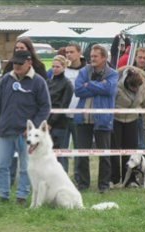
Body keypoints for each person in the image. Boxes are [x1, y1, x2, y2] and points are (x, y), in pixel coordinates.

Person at [0, 50, 51, 204]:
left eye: (20, 64)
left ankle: (22, 196)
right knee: (1, 166)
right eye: (14, 63)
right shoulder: (5, 81)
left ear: (29, 63)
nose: (16, 66)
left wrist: (33, 129)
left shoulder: (38, 82)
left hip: (26, 135)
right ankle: (3, 195)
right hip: (5, 130)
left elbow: (45, 107)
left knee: (25, 168)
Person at [2, 37, 47, 184]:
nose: (19, 50)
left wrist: (36, 125)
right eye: (17, 48)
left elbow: (44, 102)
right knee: (6, 161)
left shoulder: (39, 71)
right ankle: (8, 185)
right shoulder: (9, 69)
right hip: (10, 122)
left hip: (30, 123)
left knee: (27, 161)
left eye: (22, 48)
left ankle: (25, 189)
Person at [74, 44, 118, 193]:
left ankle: (104, 185)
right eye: (91, 56)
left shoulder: (112, 74)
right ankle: (83, 184)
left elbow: (110, 90)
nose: (92, 58)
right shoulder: (83, 71)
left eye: (95, 56)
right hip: (83, 118)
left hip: (103, 119)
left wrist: (89, 85)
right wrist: (99, 86)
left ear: (104, 58)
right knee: (82, 154)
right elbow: (78, 90)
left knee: (104, 155)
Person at [110, 66, 145, 187]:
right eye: (132, 88)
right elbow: (109, 102)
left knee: (130, 151)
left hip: (132, 119)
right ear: (126, 83)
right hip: (115, 119)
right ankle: (113, 179)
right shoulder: (116, 84)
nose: (135, 90)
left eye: (137, 88)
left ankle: (130, 179)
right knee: (114, 150)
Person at [64, 42, 87, 181]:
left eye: (71, 52)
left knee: (80, 149)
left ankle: (79, 178)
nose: (68, 55)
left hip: (80, 116)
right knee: (62, 149)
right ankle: (62, 176)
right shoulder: (62, 70)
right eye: (67, 52)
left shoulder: (86, 71)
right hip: (63, 115)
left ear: (79, 53)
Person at [47, 55, 73, 171]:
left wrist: (51, 122)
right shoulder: (48, 82)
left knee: (60, 153)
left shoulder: (67, 84)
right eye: (53, 66)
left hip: (60, 123)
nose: (54, 69)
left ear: (64, 67)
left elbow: (63, 106)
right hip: (46, 122)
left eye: (57, 66)